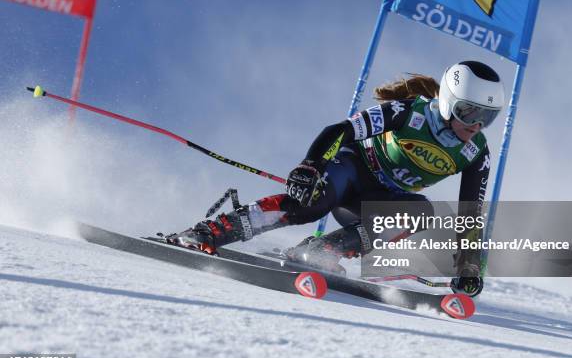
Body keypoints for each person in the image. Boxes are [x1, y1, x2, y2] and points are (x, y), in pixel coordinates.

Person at [166, 60, 504, 297]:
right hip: (350, 171)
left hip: (374, 202)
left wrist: (469, 266)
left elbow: (471, 213)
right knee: (312, 205)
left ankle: (320, 251)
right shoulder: (408, 112)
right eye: (468, 112)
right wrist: (311, 166)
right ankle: (207, 232)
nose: (475, 125)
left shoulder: (476, 151)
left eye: (487, 118)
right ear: (447, 101)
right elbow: (340, 130)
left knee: (421, 212)